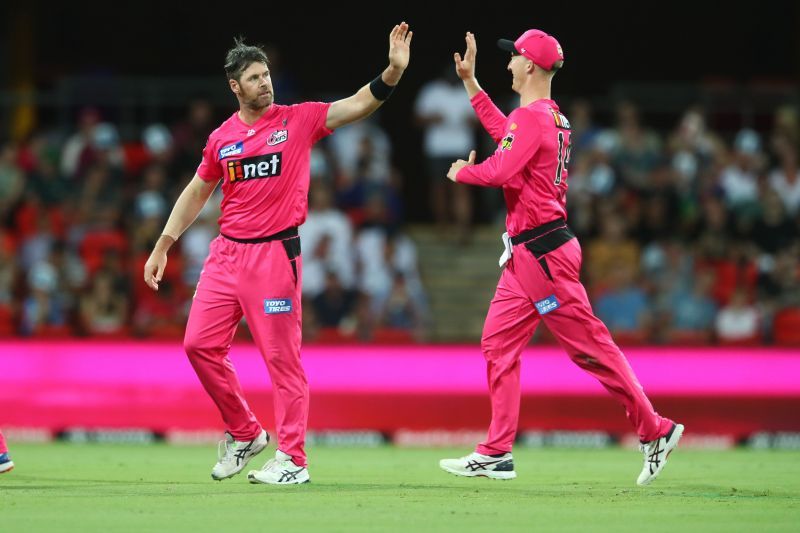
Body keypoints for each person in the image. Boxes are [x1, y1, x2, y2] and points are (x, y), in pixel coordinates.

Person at [143, 23, 412, 485]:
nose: (264, 82)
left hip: (274, 257)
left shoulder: (298, 119)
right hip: (226, 255)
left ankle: (293, 459)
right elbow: (195, 191)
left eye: (266, 75)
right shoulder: (221, 139)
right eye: (254, 78)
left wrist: (391, 72)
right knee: (198, 345)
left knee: (281, 360)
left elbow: (356, 105)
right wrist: (163, 244)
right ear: (235, 87)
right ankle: (246, 432)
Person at [438, 29, 682, 486]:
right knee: (497, 344)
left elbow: (501, 167)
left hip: (543, 254)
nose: (508, 63)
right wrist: (470, 83)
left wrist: (462, 172)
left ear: (529, 65)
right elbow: (504, 134)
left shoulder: (531, 119)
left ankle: (656, 429)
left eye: (513, 57)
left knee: (589, 348)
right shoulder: (547, 117)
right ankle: (496, 452)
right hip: (530, 253)